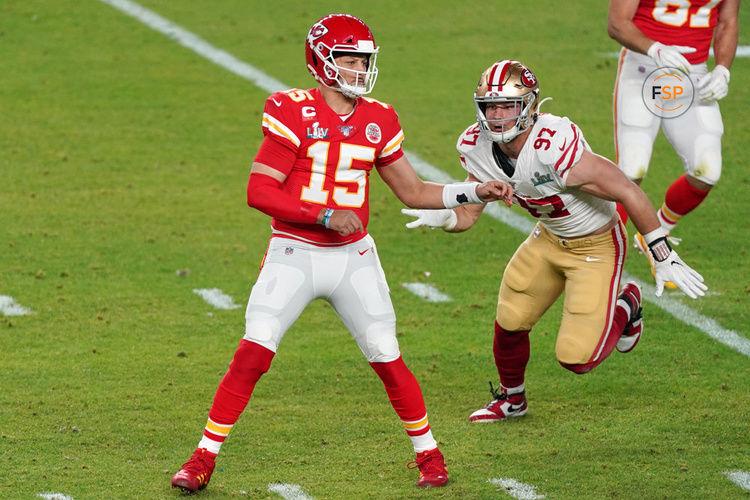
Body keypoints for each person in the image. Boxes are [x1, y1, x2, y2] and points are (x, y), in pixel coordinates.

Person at [170, 13, 513, 492]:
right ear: (321, 61)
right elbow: (259, 190)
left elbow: (413, 191)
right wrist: (324, 215)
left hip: (354, 257)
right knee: (255, 347)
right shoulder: (292, 110)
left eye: (363, 59)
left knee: (386, 353)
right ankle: (203, 457)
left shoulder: (379, 117)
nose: (358, 69)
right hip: (295, 248)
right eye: (349, 58)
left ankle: (430, 456)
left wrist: (475, 192)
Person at [402, 60, 707, 422]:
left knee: (577, 359)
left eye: (508, 105)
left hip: (596, 245)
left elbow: (627, 190)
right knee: (510, 318)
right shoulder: (475, 146)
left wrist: (660, 252)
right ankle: (512, 400)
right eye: (490, 105)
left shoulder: (554, 144)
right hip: (548, 238)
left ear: (529, 106)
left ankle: (628, 304)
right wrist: (447, 215)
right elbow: (468, 214)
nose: (497, 115)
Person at [607, 0, 739, 286]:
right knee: (631, 170)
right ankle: (602, 257)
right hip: (643, 69)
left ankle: (658, 233)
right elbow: (617, 23)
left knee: (707, 171)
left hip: (694, 75)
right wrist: (654, 47)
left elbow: (727, 21)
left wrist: (723, 70)